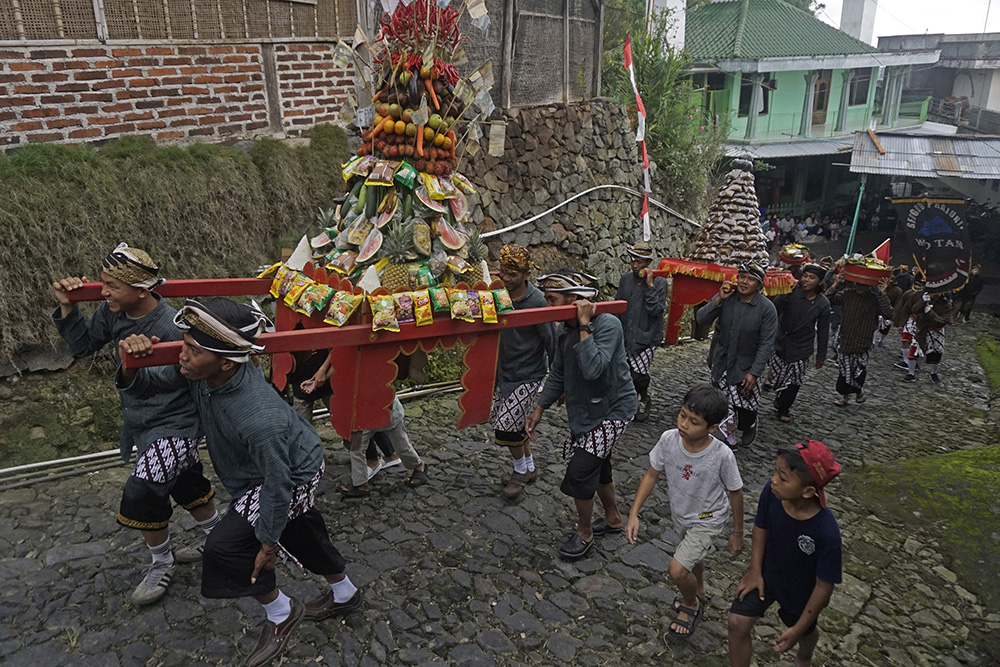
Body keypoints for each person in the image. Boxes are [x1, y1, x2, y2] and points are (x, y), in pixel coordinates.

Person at [118, 298, 361, 667]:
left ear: (227, 361)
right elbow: (156, 382)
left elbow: (279, 485)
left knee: (226, 545)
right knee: (298, 528)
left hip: (292, 473)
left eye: (192, 350)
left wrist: (266, 543)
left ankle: (282, 612)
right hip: (265, 470)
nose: (182, 355)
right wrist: (133, 364)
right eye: (183, 344)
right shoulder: (205, 370)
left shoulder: (258, 417)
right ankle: (345, 593)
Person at [51, 244, 219, 606]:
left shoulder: (172, 328)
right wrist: (68, 305)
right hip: (141, 420)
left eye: (111, 285)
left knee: (143, 489)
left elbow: (170, 381)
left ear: (142, 290)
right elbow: (82, 345)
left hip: (176, 422)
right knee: (184, 480)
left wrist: (133, 364)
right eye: (102, 283)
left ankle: (161, 562)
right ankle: (219, 534)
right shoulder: (114, 312)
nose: (103, 292)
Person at [525, 270, 637, 560]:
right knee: (600, 465)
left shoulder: (609, 324)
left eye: (552, 300)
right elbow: (559, 372)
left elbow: (593, 368)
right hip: (584, 411)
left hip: (614, 409)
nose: (548, 307)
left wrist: (585, 325)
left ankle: (584, 532)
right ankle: (613, 519)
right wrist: (539, 408)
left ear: (574, 300)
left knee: (580, 470)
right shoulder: (564, 331)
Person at [625, 384, 743, 638]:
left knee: (678, 569)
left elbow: (736, 492)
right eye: (682, 415)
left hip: (708, 518)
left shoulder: (721, 455)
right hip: (682, 514)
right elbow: (651, 474)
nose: (684, 424)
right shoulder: (669, 440)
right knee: (693, 558)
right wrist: (634, 513)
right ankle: (698, 589)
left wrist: (738, 531)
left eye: (694, 422)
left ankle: (691, 603)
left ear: (711, 428)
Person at [728, 441, 842, 667]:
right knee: (737, 622)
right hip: (768, 575)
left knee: (804, 633)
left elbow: (824, 585)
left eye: (783, 477)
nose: (774, 480)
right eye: (775, 472)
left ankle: (806, 653)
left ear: (809, 491)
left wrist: (798, 628)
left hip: (803, 592)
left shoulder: (826, 532)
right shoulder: (772, 495)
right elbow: (761, 527)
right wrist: (754, 571)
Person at [301, 355, 427, 498]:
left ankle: (419, 465)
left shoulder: (379, 353)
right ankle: (361, 484)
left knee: (401, 445)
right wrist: (315, 381)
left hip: (386, 407)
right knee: (356, 447)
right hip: (361, 411)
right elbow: (339, 360)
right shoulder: (350, 351)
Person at [490, 244, 556, 499]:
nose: (505, 278)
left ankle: (519, 471)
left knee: (506, 426)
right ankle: (528, 468)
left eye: (512, 274)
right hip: (503, 369)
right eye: (503, 272)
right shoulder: (497, 295)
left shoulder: (538, 302)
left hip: (529, 372)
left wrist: (555, 382)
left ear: (526, 275)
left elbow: (551, 340)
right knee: (516, 422)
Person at [695, 261, 778, 447]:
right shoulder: (727, 299)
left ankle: (750, 423)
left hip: (746, 365)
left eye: (750, 279)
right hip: (722, 362)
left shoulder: (767, 309)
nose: (744, 282)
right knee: (721, 404)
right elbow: (701, 318)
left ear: (759, 285)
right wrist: (718, 299)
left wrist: (755, 372)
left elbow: (766, 343)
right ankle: (727, 438)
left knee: (745, 409)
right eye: (741, 277)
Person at [768, 264, 830, 423]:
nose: (806, 280)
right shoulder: (791, 292)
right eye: (805, 276)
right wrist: (784, 295)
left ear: (820, 282)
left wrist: (821, 355)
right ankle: (780, 397)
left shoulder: (823, 303)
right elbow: (775, 309)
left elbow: (823, 330)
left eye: (812, 277)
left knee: (794, 381)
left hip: (802, 347)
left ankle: (784, 408)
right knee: (777, 378)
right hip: (781, 342)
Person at [615, 241, 668, 422]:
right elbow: (618, 306)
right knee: (624, 372)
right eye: (633, 261)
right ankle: (628, 403)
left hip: (646, 336)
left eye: (640, 261)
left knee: (638, 376)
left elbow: (656, 311)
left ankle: (644, 398)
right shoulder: (625, 280)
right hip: (625, 334)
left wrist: (649, 286)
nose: (635, 265)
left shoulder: (660, 282)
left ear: (648, 263)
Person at [826, 274, 892, 405]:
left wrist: (883, 294)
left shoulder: (874, 298)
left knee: (858, 370)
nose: (861, 287)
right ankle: (845, 397)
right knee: (845, 369)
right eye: (859, 283)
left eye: (864, 284)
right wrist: (836, 284)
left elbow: (889, 314)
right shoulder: (847, 293)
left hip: (863, 340)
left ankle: (858, 391)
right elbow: (827, 300)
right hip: (846, 338)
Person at [905, 292, 953, 383]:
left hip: (936, 331)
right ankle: (911, 373)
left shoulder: (946, 305)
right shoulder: (923, 298)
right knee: (914, 350)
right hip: (922, 329)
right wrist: (922, 301)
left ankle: (933, 372)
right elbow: (914, 309)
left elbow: (942, 321)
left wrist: (929, 311)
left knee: (936, 353)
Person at [892, 274, 925, 370]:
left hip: (925, 323)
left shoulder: (936, 296)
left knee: (917, 343)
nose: (918, 287)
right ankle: (907, 361)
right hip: (913, 319)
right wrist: (900, 323)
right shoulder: (910, 294)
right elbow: (904, 309)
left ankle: (913, 363)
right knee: (906, 339)